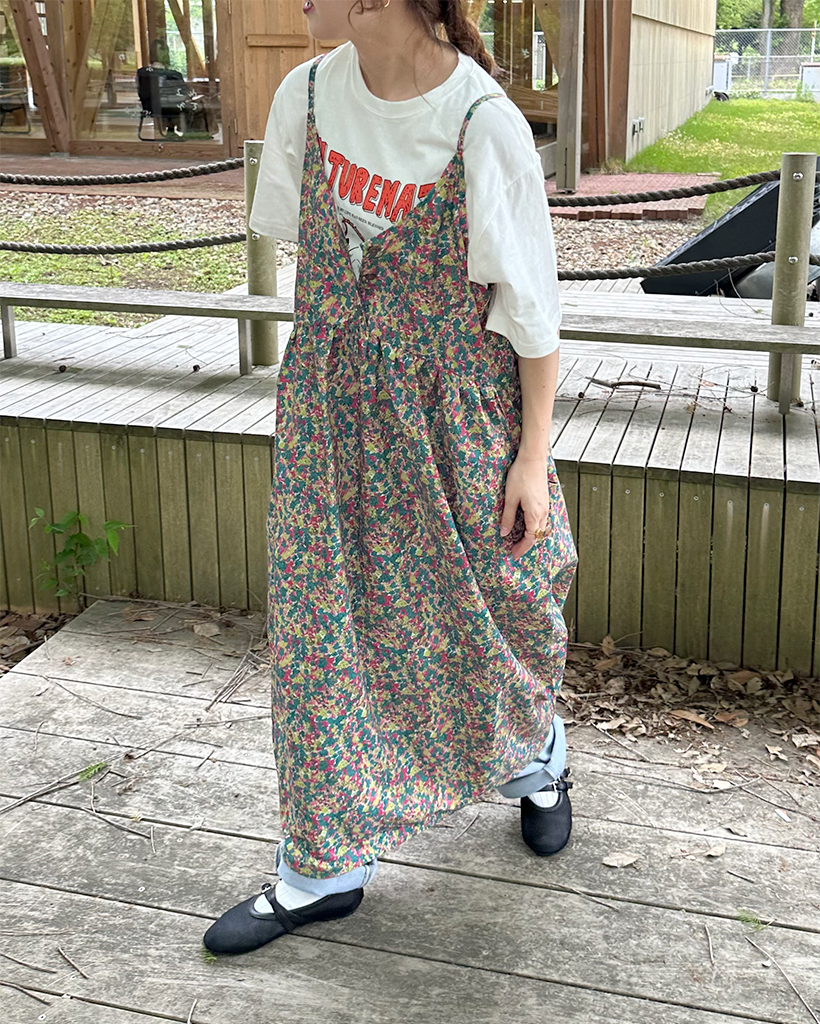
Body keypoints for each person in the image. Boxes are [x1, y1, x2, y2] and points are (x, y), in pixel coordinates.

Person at [204, 0, 578, 957]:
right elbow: (319, 261)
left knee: (489, 611)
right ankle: (321, 867)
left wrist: (532, 459)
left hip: (454, 424)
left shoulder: (483, 123)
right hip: (329, 418)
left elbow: (532, 318)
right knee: (320, 630)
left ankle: (534, 754)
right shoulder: (306, 96)